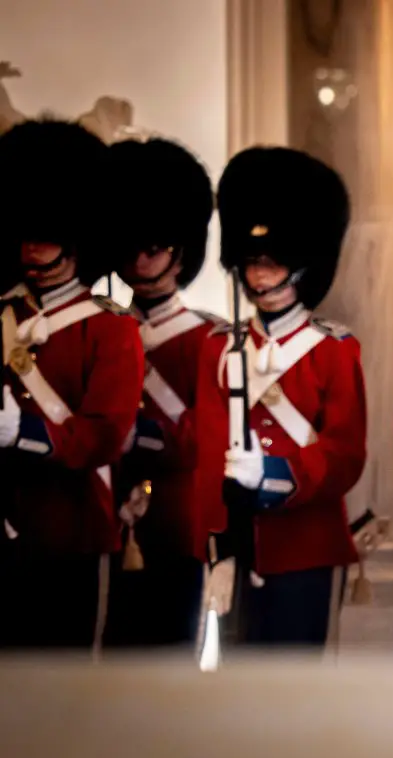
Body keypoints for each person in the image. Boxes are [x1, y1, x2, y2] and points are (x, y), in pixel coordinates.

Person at [194, 146, 365, 651]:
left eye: (274, 263)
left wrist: (274, 476)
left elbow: (345, 455)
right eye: (252, 263)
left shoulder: (334, 350)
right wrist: (217, 550)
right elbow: (208, 459)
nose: (261, 276)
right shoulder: (218, 348)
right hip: (239, 549)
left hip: (308, 548)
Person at [0, 119, 144, 650]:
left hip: (75, 529)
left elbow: (106, 435)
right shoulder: (6, 311)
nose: (33, 249)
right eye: (26, 235)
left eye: (46, 236)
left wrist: (23, 432)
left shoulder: (110, 319)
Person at [100, 136, 219, 651]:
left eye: (156, 248)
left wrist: (137, 435)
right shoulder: (102, 329)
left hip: (175, 524)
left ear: (179, 251)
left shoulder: (207, 338)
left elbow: (204, 439)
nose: (143, 261)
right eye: (132, 248)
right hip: (103, 519)